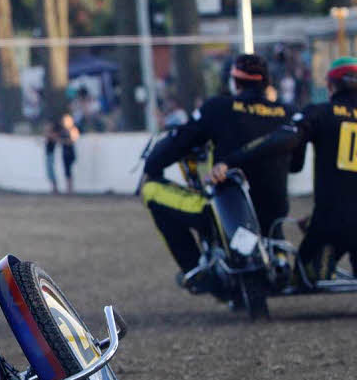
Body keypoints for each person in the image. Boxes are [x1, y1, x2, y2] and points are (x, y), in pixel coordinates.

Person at [141, 53, 298, 289]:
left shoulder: (220, 107)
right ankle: (279, 257)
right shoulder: (286, 112)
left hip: (225, 213)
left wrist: (152, 165)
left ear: (234, 81)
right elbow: (297, 166)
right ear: (266, 82)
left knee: (152, 190)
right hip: (274, 212)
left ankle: (194, 269)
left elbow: (179, 143)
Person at [211, 56, 357, 286]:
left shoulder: (321, 112)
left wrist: (231, 161)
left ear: (330, 86)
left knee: (304, 278)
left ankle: (314, 265)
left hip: (332, 223)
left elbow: (281, 140)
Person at [58, 113, 79, 194]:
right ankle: (68, 188)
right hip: (65, 152)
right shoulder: (63, 130)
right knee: (66, 171)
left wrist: (64, 141)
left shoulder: (73, 129)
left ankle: (70, 189)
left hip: (70, 152)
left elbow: (72, 141)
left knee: (69, 171)